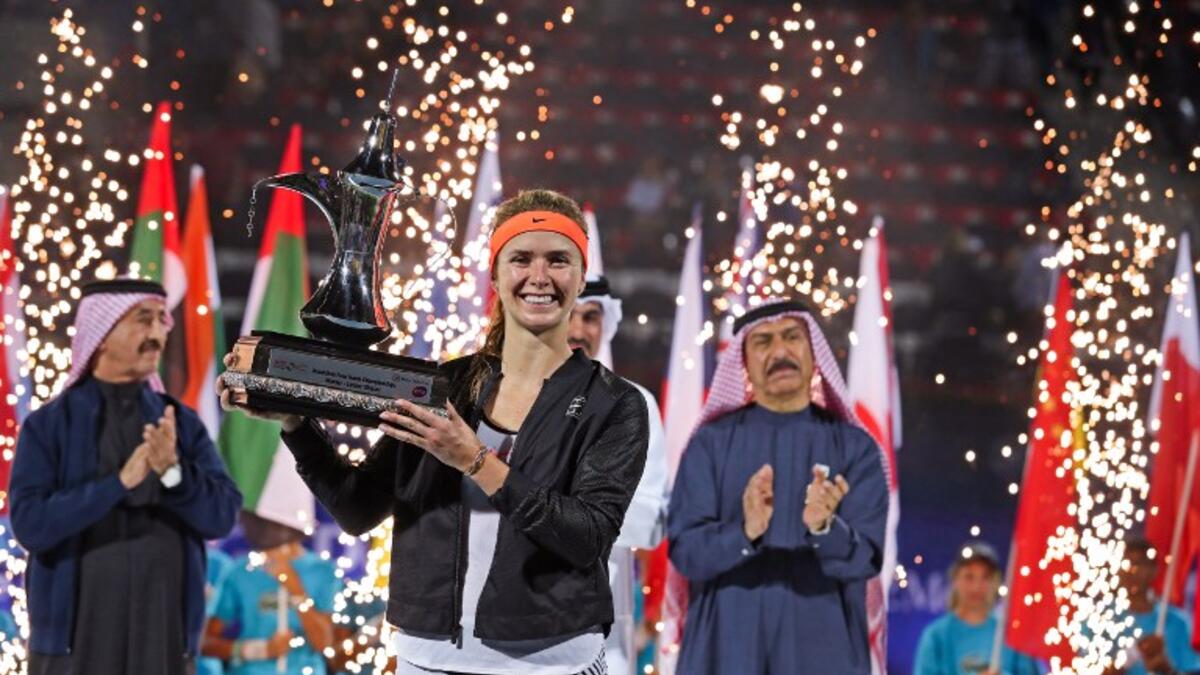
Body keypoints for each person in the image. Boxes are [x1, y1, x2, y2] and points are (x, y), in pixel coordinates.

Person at [219, 189, 650, 674]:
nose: (539, 277)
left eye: (559, 260)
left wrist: (476, 462)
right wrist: (296, 424)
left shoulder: (615, 403)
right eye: (521, 258)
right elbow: (358, 508)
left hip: (553, 662)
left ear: (580, 275)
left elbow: (587, 537)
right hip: (428, 658)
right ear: (496, 273)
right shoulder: (443, 386)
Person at [10, 278, 242, 674]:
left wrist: (173, 474)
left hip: (163, 641)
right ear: (100, 333)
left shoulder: (180, 423)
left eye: (160, 322)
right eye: (142, 320)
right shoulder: (48, 426)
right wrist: (119, 483)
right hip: (73, 646)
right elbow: (31, 525)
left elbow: (221, 515)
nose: (156, 334)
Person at [666, 297, 888, 674]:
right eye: (763, 342)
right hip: (726, 649)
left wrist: (825, 528)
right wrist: (744, 531)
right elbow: (686, 552)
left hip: (824, 649)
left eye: (791, 337)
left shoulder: (855, 447)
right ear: (744, 363)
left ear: (814, 352)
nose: (780, 351)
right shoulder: (710, 444)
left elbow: (867, 557)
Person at [568, 275, 669, 675]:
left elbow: (649, 523)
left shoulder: (633, 404)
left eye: (590, 317)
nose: (578, 330)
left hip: (600, 630)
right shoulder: (507, 394)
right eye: (570, 315)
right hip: (503, 627)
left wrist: (552, 507)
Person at [202, 512, 341, 675]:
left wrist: (295, 589)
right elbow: (205, 643)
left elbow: (325, 643)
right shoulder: (240, 572)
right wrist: (259, 650)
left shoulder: (323, 571)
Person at [912, 541, 1040, 675]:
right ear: (955, 579)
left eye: (985, 577)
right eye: (969, 577)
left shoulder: (1012, 635)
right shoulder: (936, 636)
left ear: (996, 582)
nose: (976, 587)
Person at [1101, 538, 1200, 675]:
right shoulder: (1101, 619)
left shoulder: (1176, 622)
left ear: (1154, 569)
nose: (1132, 570)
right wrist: (1129, 658)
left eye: (1139, 564)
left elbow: (1191, 670)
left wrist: (1167, 669)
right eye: (1125, 563)